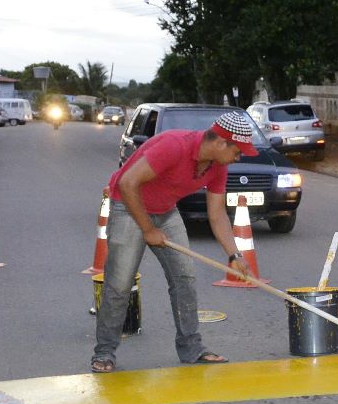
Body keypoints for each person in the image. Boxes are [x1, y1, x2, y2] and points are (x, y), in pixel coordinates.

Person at [91, 111, 258, 373]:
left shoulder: (218, 167)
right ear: (220, 143)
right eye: (238, 152)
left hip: (165, 210)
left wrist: (235, 256)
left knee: (184, 278)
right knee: (120, 283)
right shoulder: (174, 146)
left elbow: (217, 215)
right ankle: (104, 352)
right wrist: (148, 229)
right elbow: (127, 182)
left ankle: (192, 348)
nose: (240, 157)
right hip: (128, 205)